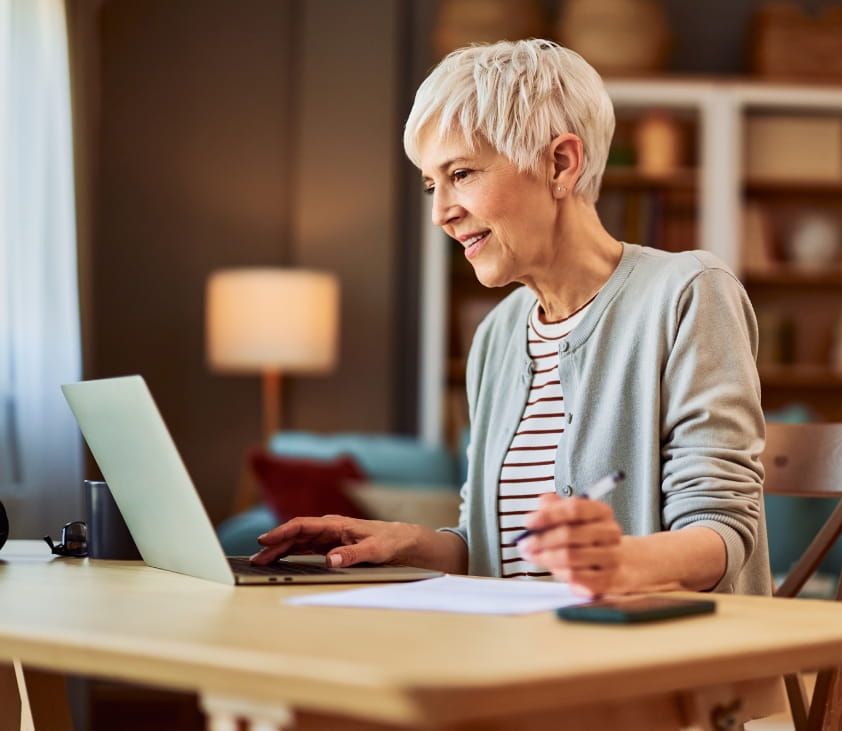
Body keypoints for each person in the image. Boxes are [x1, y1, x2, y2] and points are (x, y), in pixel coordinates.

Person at [252, 39, 769, 597]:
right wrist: (403, 542)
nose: (440, 213)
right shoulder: (497, 335)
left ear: (560, 164)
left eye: (463, 174)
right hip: (527, 657)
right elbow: (491, 551)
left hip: (666, 665)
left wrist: (618, 561)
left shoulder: (687, 293)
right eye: (432, 183)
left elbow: (723, 532)